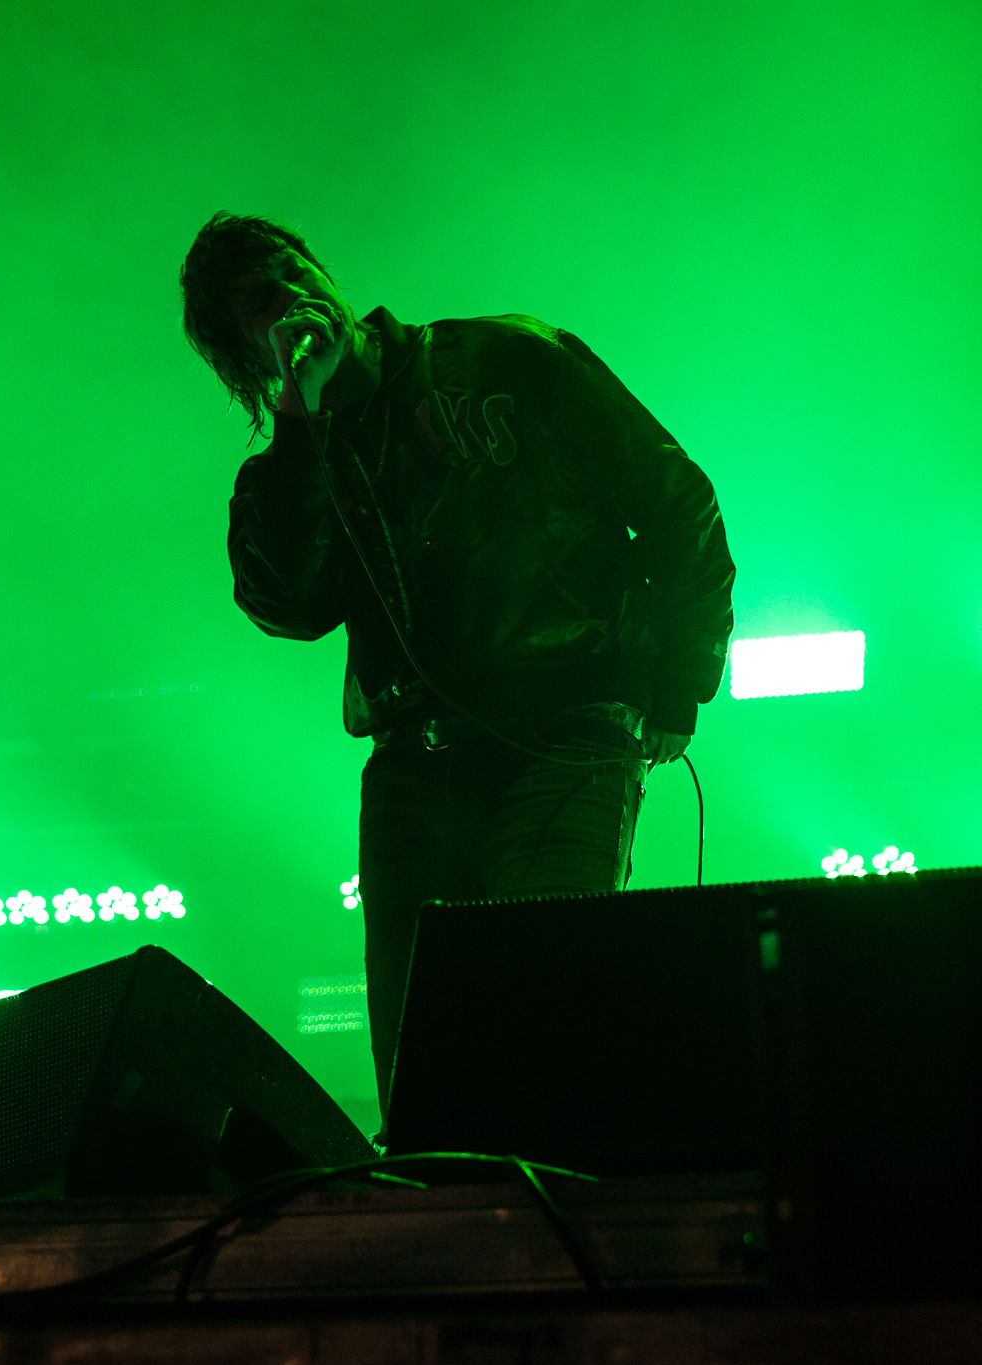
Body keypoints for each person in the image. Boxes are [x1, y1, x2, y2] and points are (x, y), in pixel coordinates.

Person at [179, 213, 735, 1124]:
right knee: (425, 1081)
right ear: (244, 358)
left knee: (546, 1025)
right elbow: (288, 604)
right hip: (412, 774)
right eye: (257, 304)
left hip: (564, 737)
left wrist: (682, 680)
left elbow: (680, 500)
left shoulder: (508, 357)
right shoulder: (291, 466)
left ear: (319, 264)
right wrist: (300, 429)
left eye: (289, 268)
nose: (289, 297)